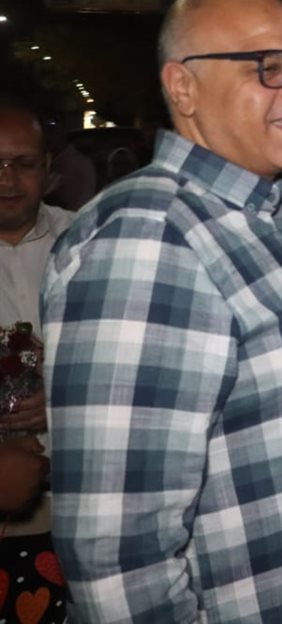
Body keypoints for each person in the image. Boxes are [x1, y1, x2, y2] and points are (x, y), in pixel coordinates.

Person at [42, 0, 282, 622]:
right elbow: (121, 565)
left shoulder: (249, 217)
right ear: (183, 87)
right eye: (267, 66)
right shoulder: (151, 240)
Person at [0, 104, 72, 623]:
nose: (7, 180)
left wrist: (64, 399)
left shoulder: (89, 240)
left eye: (23, 164)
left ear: (48, 169)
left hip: (80, 495)